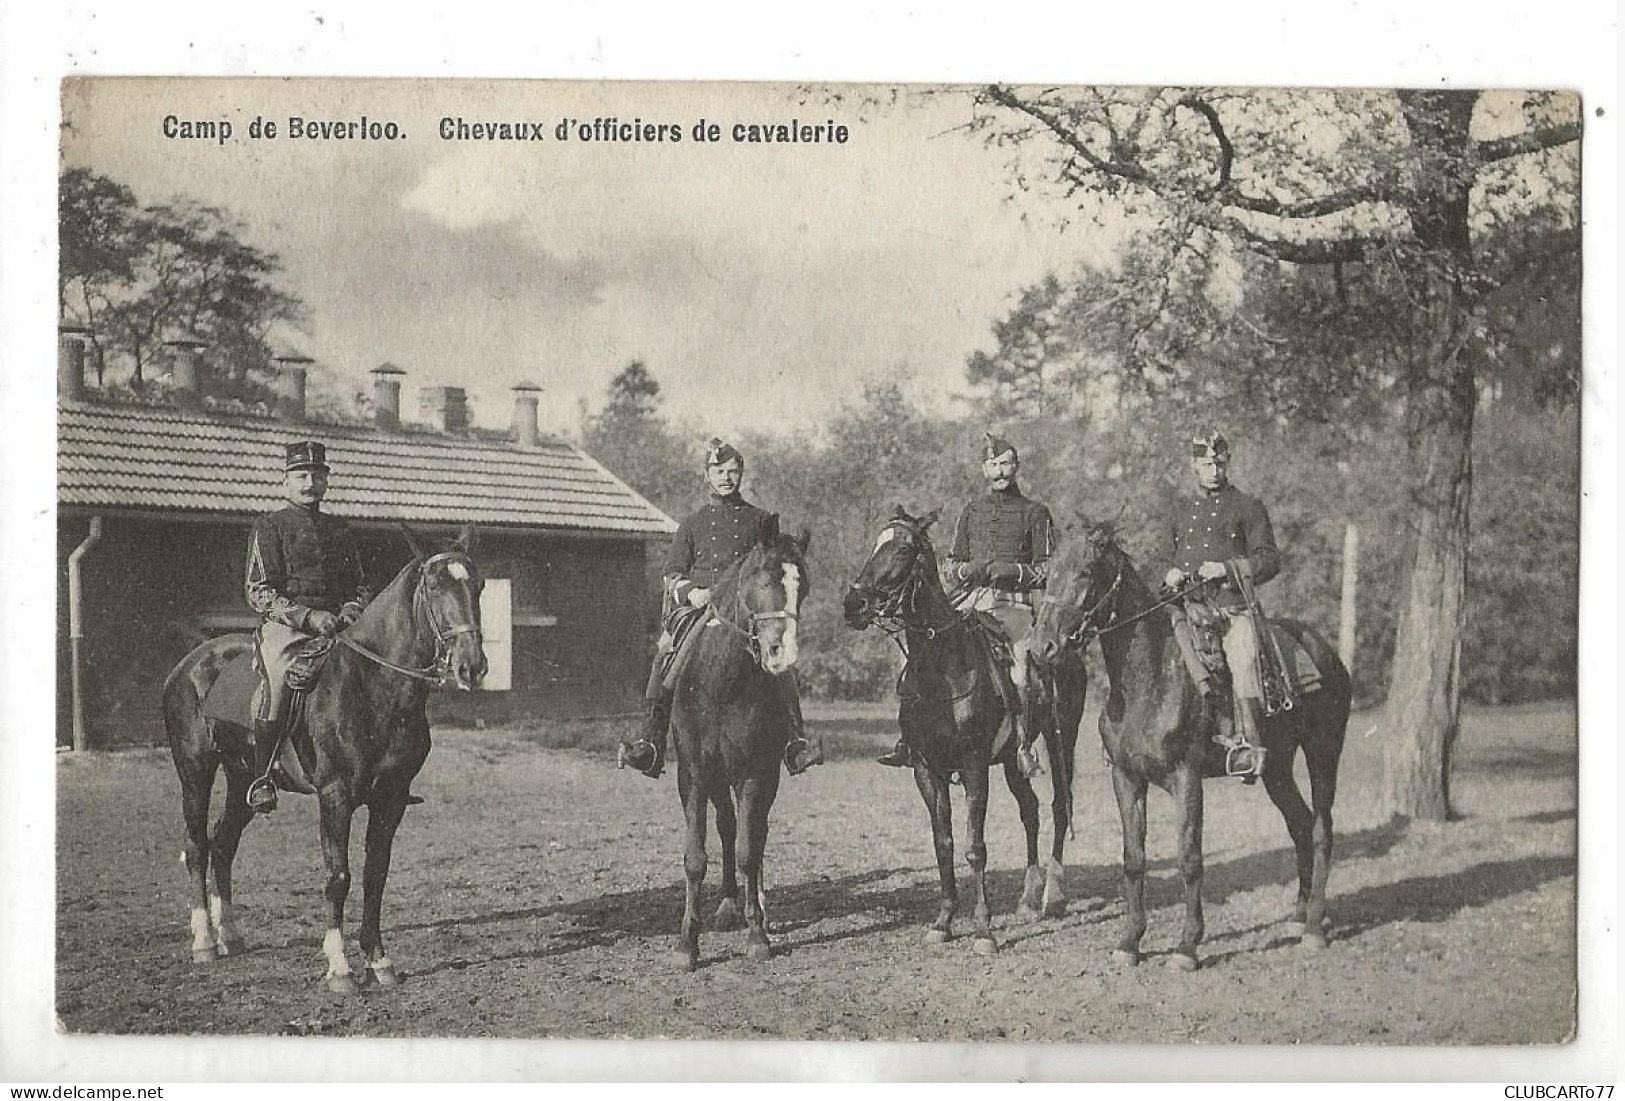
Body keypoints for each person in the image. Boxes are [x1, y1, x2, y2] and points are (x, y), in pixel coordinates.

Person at [618, 437, 821, 780]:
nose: (727, 478)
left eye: (734, 471)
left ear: (741, 475)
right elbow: (671, 574)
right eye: (720, 471)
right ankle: (650, 742)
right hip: (699, 608)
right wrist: (692, 592)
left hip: (742, 613)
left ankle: (794, 742)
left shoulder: (760, 521)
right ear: (706, 475)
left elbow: (773, 567)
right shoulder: (692, 524)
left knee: (779, 662)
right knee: (666, 657)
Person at [877, 432, 1055, 776]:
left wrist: (1010, 570)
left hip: (1012, 608)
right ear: (984, 469)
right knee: (917, 652)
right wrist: (967, 569)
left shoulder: (1035, 512)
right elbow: (950, 564)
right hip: (968, 602)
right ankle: (910, 739)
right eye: (993, 465)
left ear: (1016, 467)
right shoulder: (972, 511)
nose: (999, 471)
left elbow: (1048, 569)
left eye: (1005, 464)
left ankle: (1021, 745)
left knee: (1021, 666)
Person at [244, 441, 380, 813]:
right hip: (288, 628)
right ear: (285, 481)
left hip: (339, 627)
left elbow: (362, 584)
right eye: (301, 475)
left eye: (317, 475)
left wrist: (352, 610)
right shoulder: (269, 527)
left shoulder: (341, 530)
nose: (310, 482)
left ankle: (380, 774)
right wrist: (307, 616)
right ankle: (263, 775)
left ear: (326, 482)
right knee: (279, 678)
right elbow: (257, 591)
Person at [1162, 428, 1280, 780]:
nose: (1214, 469)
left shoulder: (1248, 507)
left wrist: (1225, 569)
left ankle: (1246, 744)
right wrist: (1169, 573)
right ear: (1193, 466)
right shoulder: (1180, 510)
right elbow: (1168, 557)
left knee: (1243, 658)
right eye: (1206, 463)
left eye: (1220, 462)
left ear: (1227, 462)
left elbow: (1270, 560)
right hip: (1186, 610)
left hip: (1230, 611)